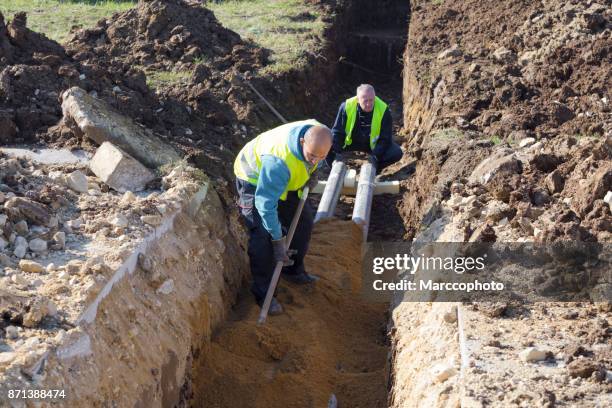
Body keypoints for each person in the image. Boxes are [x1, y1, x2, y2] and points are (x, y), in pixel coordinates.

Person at [234, 119, 332, 315]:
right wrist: (278, 239)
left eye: (320, 158)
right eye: (312, 156)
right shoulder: (278, 162)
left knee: (302, 223)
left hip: (287, 179)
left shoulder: (321, 136)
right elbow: (265, 205)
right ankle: (264, 296)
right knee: (264, 237)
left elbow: (316, 158)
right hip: (254, 180)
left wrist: (312, 173)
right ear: (303, 142)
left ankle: (293, 271)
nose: (315, 161)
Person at [326, 84, 402, 172]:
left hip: (372, 144)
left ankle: (374, 170)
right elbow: (337, 132)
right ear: (358, 100)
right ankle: (336, 171)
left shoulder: (383, 110)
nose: (369, 104)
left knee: (396, 153)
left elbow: (385, 138)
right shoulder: (346, 107)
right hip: (350, 142)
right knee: (327, 146)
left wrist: (375, 156)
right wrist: (336, 152)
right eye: (365, 101)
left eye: (371, 100)